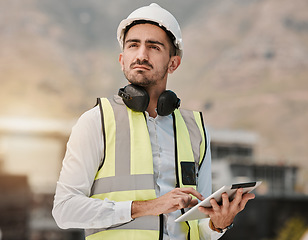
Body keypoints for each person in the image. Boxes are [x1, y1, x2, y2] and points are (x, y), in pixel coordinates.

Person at [52, 3, 255, 240]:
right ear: (122, 59)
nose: (141, 55)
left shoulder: (196, 130)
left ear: (173, 63)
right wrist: (148, 207)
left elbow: (199, 227)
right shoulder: (96, 121)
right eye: (133, 45)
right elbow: (64, 210)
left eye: (153, 47)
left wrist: (218, 225)